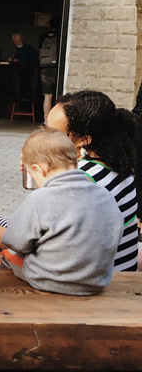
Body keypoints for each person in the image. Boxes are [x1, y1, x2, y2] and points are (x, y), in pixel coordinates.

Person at [0, 128, 122, 295]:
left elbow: (13, 240)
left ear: (39, 169)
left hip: (52, 280)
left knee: (7, 254)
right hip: (95, 282)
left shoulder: (40, 198)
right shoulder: (104, 195)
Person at [46, 90, 139, 272]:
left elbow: (37, 233)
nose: (44, 137)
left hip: (100, 280)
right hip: (124, 269)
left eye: (53, 133)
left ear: (83, 140)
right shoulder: (123, 170)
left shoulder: (82, 177)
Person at [38, 30, 58, 119]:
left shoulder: (42, 36)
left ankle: (46, 120)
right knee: (59, 95)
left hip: (45, 68)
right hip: (56, 67)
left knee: (47, 96)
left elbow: (40, 51)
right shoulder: (59, 35)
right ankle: (57, 120)